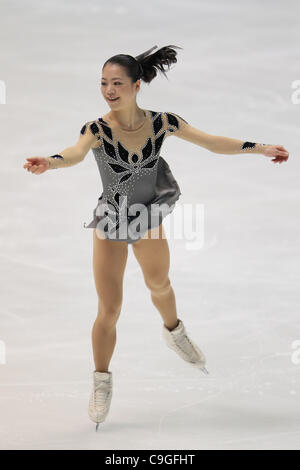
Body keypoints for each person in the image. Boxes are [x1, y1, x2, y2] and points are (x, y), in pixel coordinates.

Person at [23, 44, 289, 430]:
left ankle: (174, 331)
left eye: (117, 83)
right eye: (103, 83)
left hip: (147, 217)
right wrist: (50, 161)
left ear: (136, 85)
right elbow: (76, 153)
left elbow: (212, 142)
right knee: (109, 309)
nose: (109, 90)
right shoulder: (96, 129)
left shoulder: (163, 122)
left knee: (159, 283)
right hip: (112, 222)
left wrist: (261, 148)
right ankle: (101, 381)